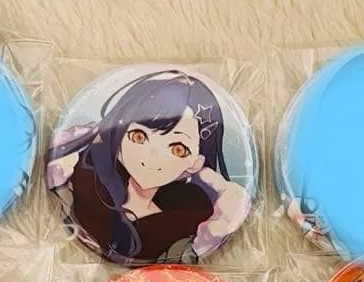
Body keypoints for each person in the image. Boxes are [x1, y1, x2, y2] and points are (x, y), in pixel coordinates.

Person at [46, 70, 250, 263]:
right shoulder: (83, 183)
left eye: (178, 149)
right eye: (139, 136)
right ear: (118, 134)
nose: (152, 156)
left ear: (196, 163)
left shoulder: (195, 218)